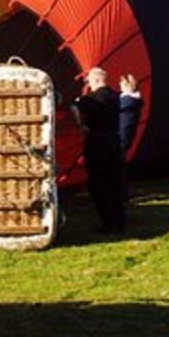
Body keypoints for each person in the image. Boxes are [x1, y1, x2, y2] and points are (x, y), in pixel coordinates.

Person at [71, 67, 126, 233]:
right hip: (114, 140)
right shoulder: (116, 96)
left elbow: (73, 106)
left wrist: (80, 125)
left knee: (98, 183)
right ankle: (119, 219)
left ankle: (108, 223)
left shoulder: (91, 99)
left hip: (96, 142)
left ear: (94, 81)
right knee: (114, 181)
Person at [118, 74, 143, 153]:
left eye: (121, 82)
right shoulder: (132, 101)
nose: (119, 83)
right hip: (122, 142)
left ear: (127, 85)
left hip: (120, 143)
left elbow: (125, 126)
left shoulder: (127, 102)